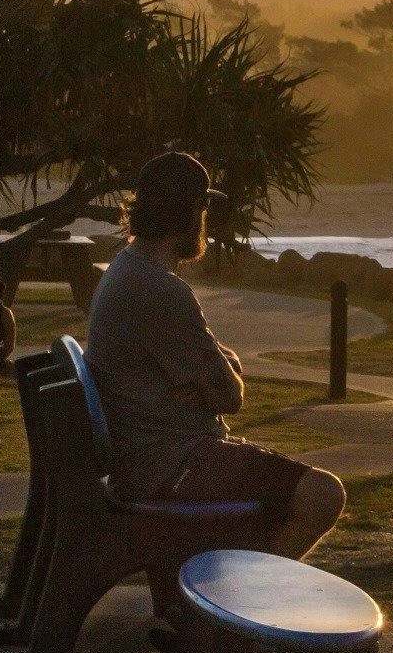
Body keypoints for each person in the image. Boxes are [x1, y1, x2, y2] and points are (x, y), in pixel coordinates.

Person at [85, 152, 345, 560]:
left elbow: (221, 369)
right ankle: (251, 593)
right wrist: (216, 379)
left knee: (286, 490)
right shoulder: (162, 291)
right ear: (190, 213)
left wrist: (215, 373)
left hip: (150, 461)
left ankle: (236, 588)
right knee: (323, 495)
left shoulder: (125, 270)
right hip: (173, 465)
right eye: (203, 207)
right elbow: (230, 396)